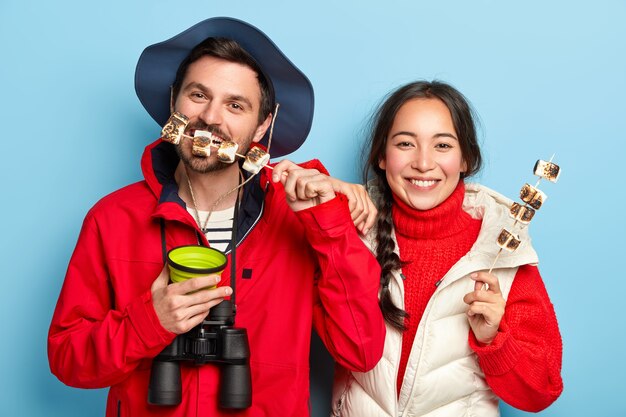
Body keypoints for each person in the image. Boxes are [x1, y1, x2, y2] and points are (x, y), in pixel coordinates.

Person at [48, 17, 385, 417]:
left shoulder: (301, 220)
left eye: (235, 105)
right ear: (174, 101)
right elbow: (67, 359)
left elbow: (361, 351)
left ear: (263, 125)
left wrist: (328, 227)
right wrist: (146, 323)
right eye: (197, 95)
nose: (210, 117)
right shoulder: (112, 219)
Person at [331, 80, 563, 416]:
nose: (423, 163)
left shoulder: (503, 252)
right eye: (406, 143)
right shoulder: (350, 235)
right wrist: (324, 192)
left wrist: (493, 340)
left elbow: (541, 391)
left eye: (442, 145)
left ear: (466, 158)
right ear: (382, 156)